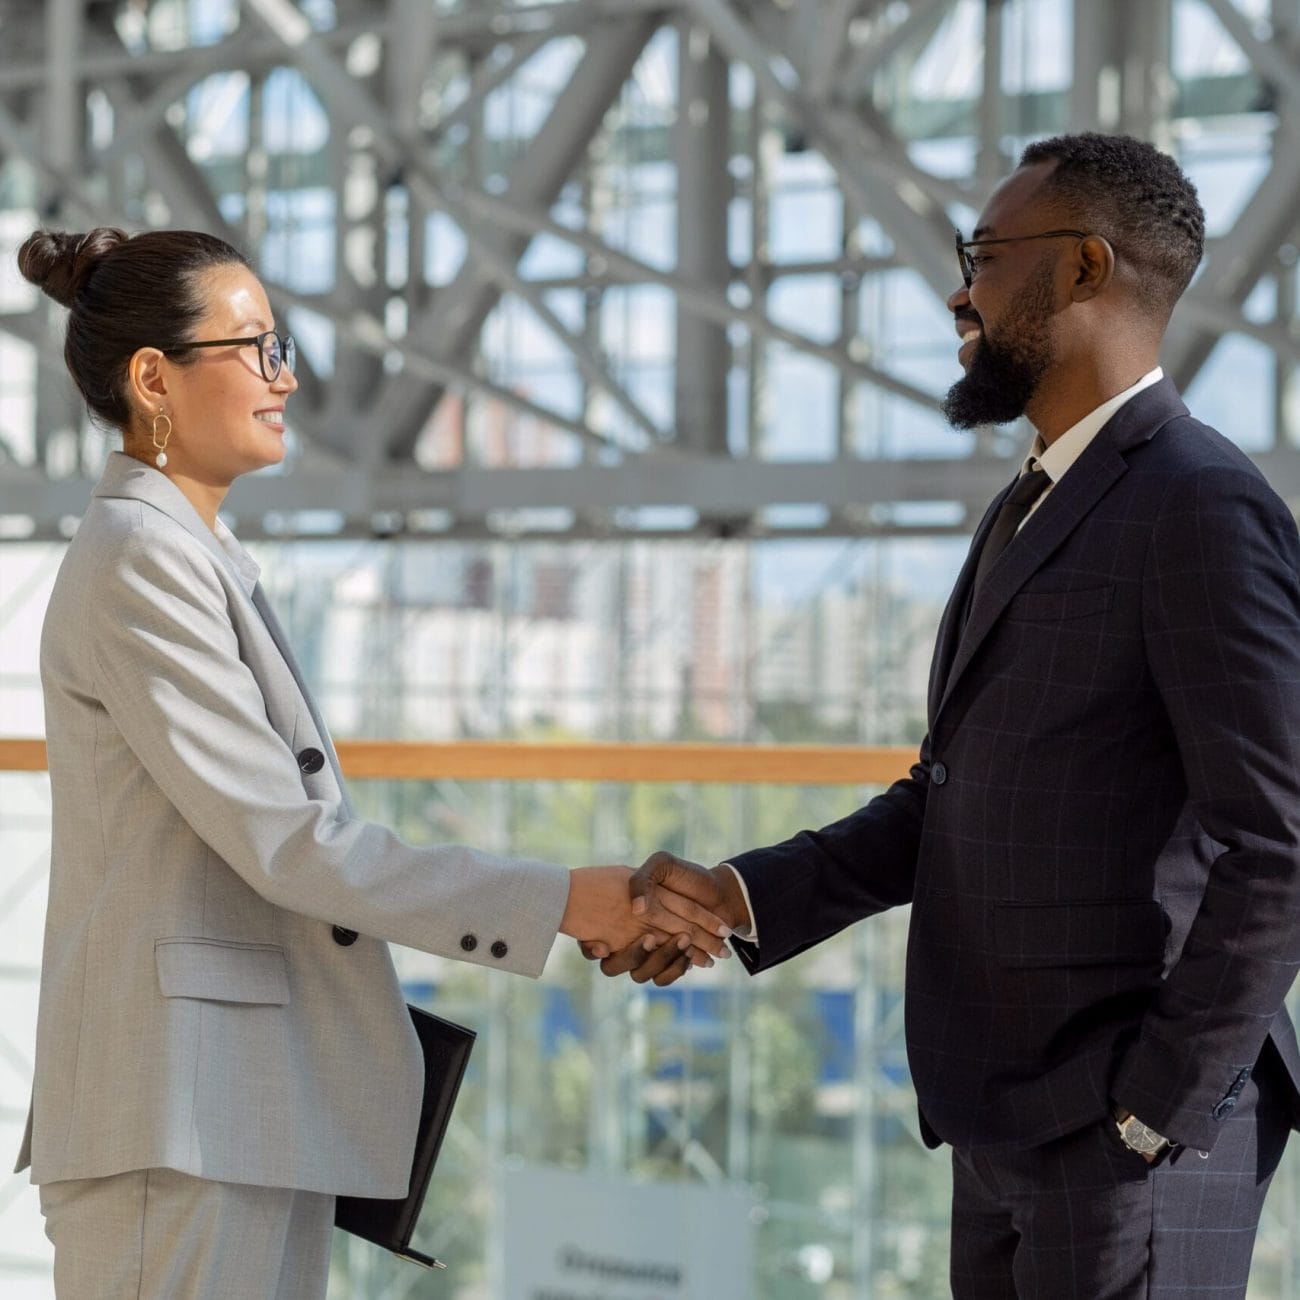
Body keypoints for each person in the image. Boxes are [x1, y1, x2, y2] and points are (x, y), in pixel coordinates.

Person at [588, 133, 1300, 1298]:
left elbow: (1279, 843)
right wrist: (739, 895)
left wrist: (1151, 1111)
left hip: (1123, 1135)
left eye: (981, 255)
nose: (955, 291)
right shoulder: (1034, 501)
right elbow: (952, 791)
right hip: (1009, 1116)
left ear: (1081, 269)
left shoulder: (1200, 507)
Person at [15, 226, 730, 1300]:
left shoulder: (189, 555)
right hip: (182, 1120)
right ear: (153, 378)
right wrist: (562, 899)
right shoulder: (137, 559)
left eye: (281, 343)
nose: (286, 376)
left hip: (233, 1112)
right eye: (255, 348)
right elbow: (288, 841)